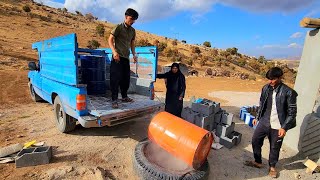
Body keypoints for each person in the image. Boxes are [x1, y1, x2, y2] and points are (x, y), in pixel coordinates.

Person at [244, 67, 298, 178]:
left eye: (273, 79)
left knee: (275, 147)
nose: (270, 81)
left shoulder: (289, 92)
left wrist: (284, 127)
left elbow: (292, 113)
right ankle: (257, 161)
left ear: (279, 78)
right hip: (264, 121)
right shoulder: (265, 88)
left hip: (278, 125)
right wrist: (257, 117)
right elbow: (261, 104)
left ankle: (272, 167)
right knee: (255, 141)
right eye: (269, 79)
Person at [108, 8, 139, 109]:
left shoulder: (132, 31)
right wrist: (114, 52)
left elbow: (132, 44)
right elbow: (110, 39)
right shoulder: (118, 27)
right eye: (131, 19)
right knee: (115, 79)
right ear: (126, 17)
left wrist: (134, 55)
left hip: (126, 58)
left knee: (126, 79)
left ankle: (124, 97)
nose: (133, 21)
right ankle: (114, 100)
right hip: (117, 57)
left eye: (134, 19)